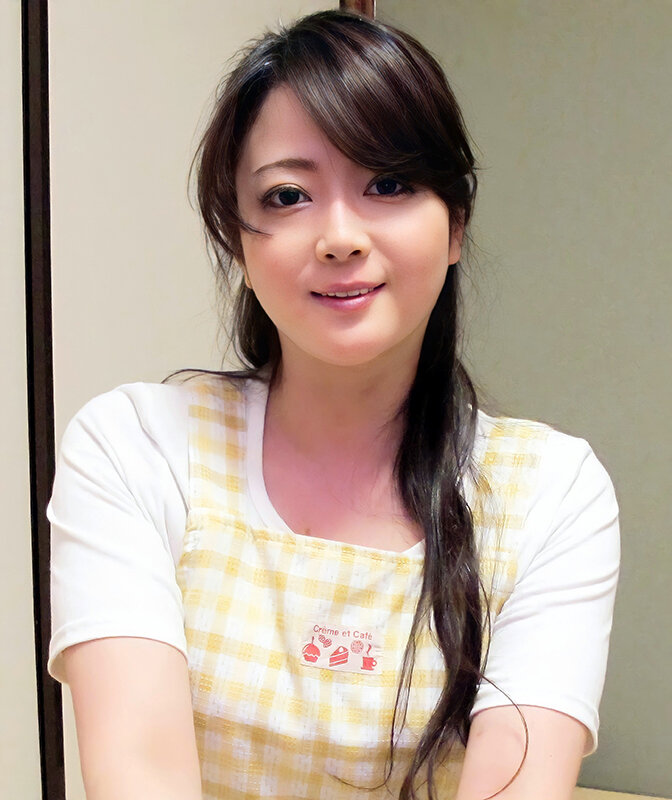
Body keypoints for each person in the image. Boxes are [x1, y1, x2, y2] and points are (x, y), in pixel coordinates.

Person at [47, 10, 620, 800]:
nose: (340, 236)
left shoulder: (552, 493)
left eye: (388, 184)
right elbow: (138, 775)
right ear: (238, 241)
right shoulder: (136, 448)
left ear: (456, 224)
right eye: (288, 195)